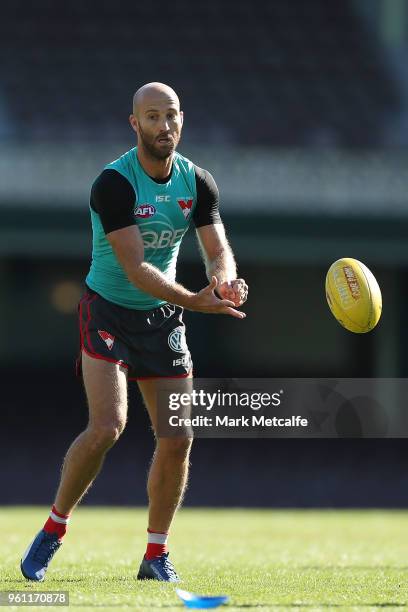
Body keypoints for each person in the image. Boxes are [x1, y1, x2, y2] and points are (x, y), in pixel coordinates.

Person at [20, 82, 248, 583]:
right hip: (108, 311)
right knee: (107, 428)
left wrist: (226, 280)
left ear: (182, 119)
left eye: (170, 116)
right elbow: (136, 268)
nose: (163, 127)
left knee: (178, 437)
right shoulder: (114, 184)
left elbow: (217, 249)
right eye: (152, 117)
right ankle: (54, 528)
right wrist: (194, 300)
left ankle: (155, 555)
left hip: (162, 319)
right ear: (135, 124)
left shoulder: (198, 182)